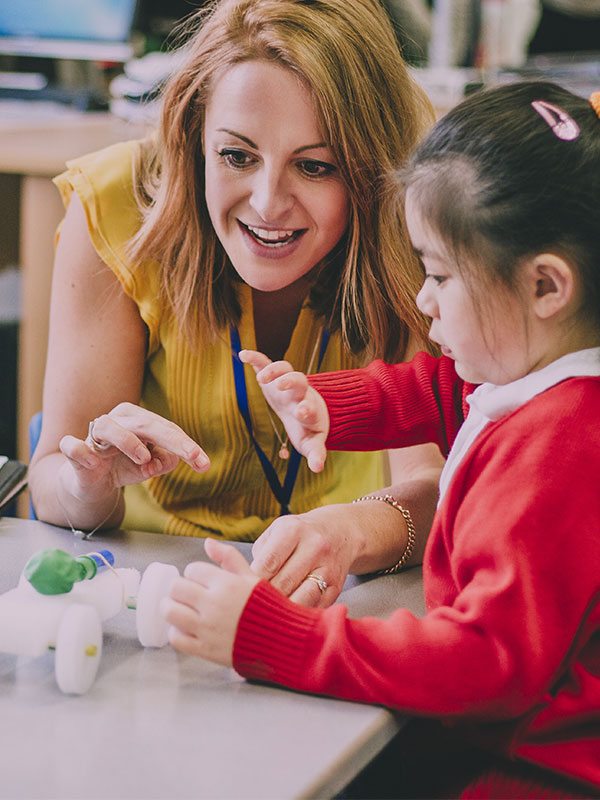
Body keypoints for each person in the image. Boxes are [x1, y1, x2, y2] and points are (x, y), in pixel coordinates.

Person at [161, 82, 600, 797]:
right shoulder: (548, 383)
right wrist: (325, 404)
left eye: (440, 275)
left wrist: (276, 638)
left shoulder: (560, 450)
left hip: (528, 775)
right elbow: (442, 393)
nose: (424, 300)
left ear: (547, 286)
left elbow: (484, 663)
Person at [28, 0, 444, 606]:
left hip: (341, 599)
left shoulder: (410, 223)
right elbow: (49, 484)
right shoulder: (120, 206)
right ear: (194, 138)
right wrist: (88, 484)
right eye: (236, 156)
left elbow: (438, 486)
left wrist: (350, 531)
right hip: (143, 592)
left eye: (315, 165)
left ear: (369, 169)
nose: (269, 203)